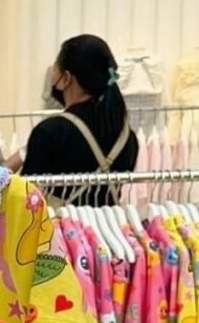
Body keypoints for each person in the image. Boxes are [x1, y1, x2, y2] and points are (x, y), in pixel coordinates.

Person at [13, 34, 138, 206]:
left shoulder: (49, 132)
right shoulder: (128, 137)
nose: (52, 76)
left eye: (55, 69)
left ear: (66, 78)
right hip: (110, 221)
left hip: (60, 222)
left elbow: (26, 197)